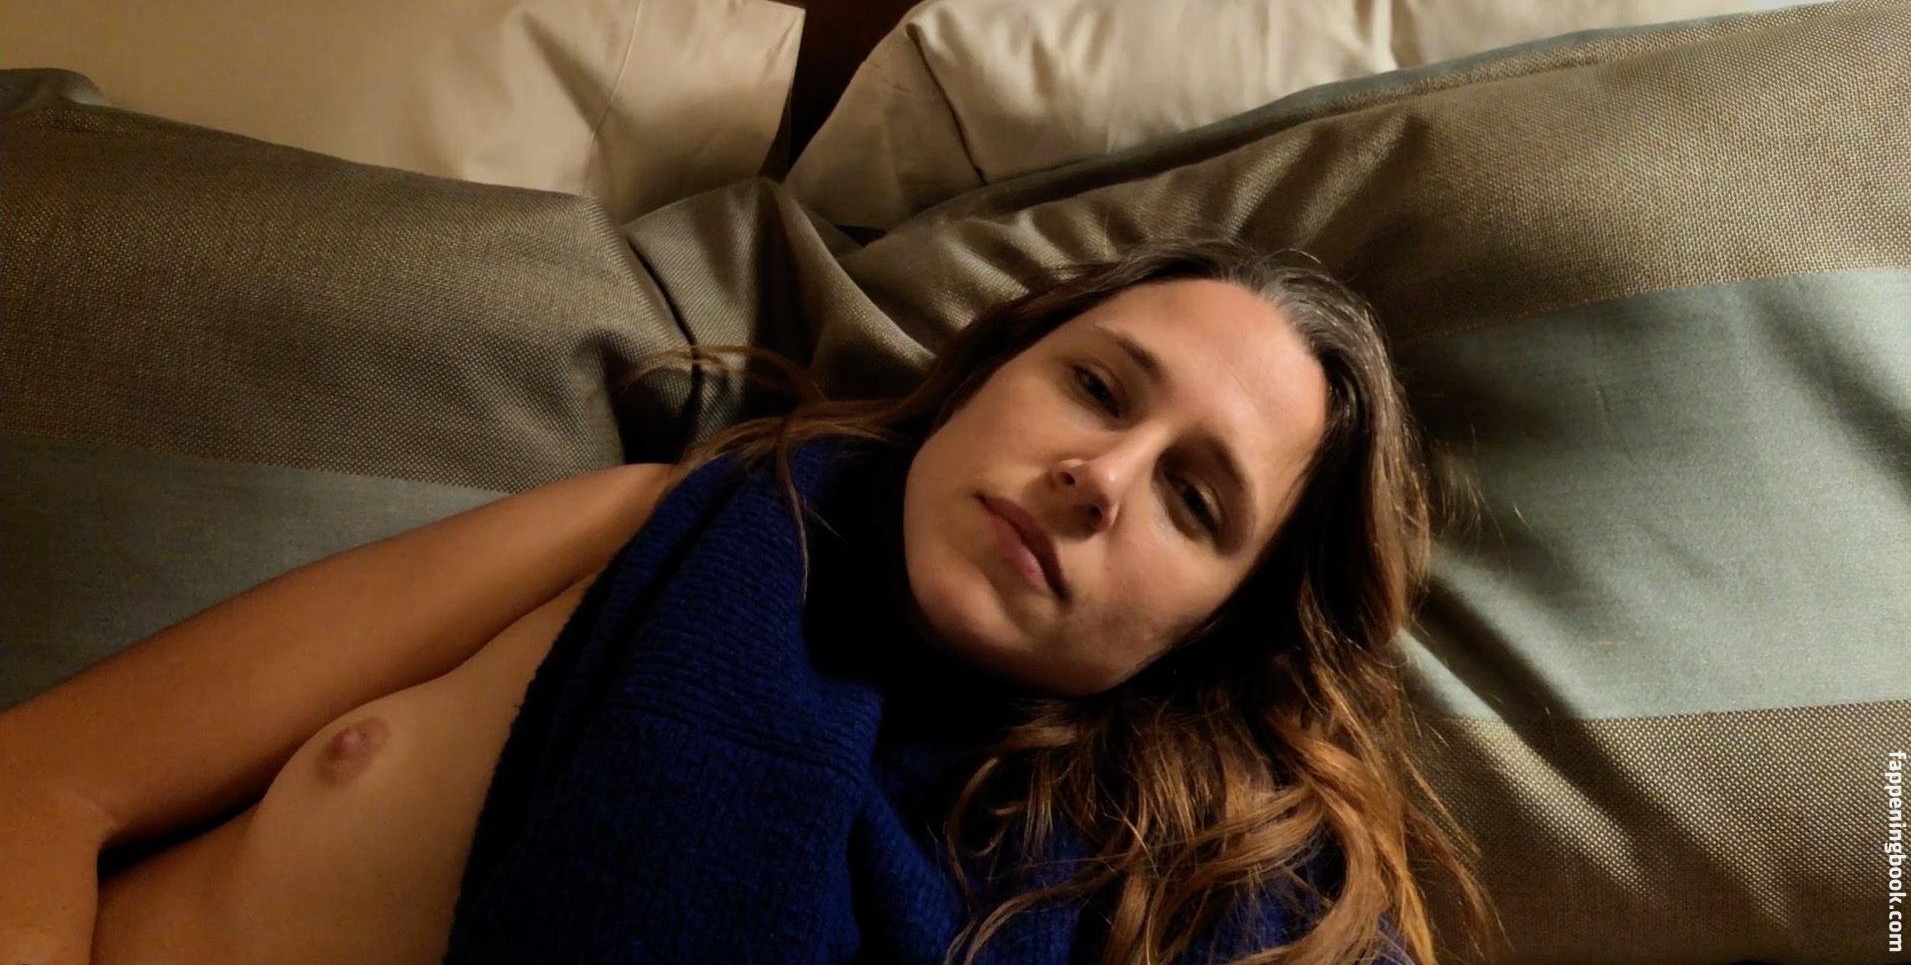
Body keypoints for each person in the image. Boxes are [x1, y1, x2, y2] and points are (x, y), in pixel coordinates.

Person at [0, 235, 1493, 965]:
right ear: (988, 375)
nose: (1098, 476)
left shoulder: (1165, 905)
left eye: (1194, 500)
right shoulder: (661, 526)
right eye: (1096, 387)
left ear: (1213, 631)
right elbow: (48, 779)